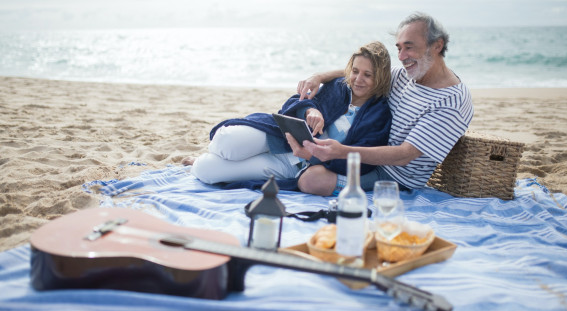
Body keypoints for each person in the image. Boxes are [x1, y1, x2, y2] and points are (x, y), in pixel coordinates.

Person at [287, 12, 474, 196]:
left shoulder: (451, 100)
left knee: (311, 180)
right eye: (399, 48)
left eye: (408, 47)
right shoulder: (406, 75)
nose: (401, 57)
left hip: (392, 175)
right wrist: (318, 77)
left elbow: (404, 155)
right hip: (366, 156)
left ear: (437, 45)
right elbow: (359, 73)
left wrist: (342, 152)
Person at [185, 41, 393, 190]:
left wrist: (311, 156)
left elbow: (360, 162)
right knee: (225, 141)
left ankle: (203, 160)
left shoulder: (379, 114)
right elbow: (295, 102)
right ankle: (222, 153)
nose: (358, 79)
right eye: (355, 71)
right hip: (280, 135)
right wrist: (312, 110)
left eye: (368, 75)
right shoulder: (338, 87)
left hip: (293, 165)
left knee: (206, 170)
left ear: (380, 78)